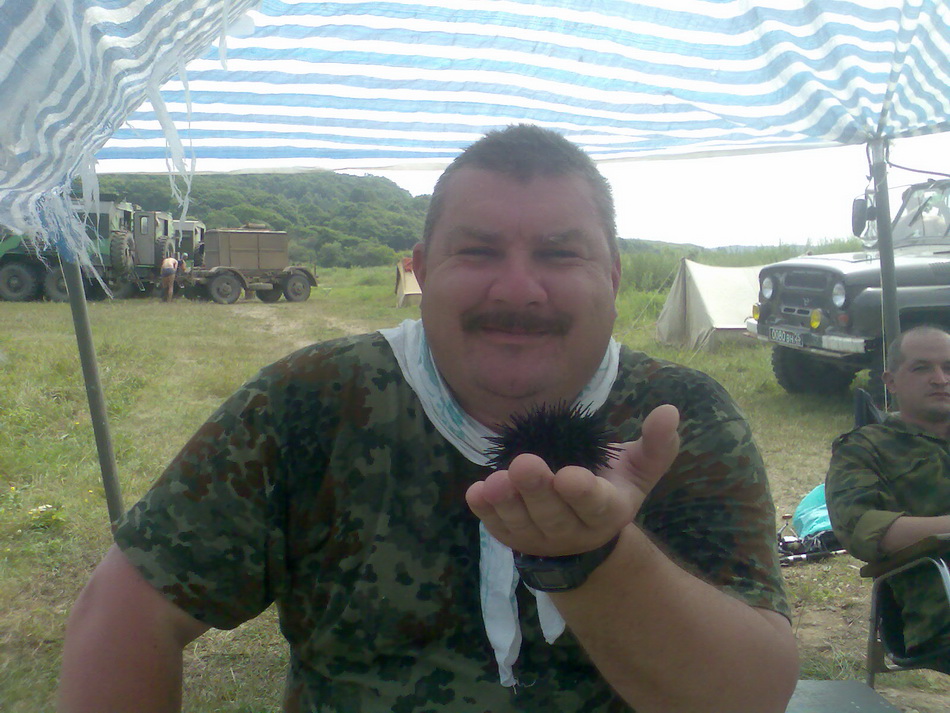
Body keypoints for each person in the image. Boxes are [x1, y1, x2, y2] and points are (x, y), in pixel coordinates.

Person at [58, 125, 797, 713]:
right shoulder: (313, 400)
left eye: (558, 254)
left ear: (611, 274)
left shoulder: (679, 419)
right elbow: (125, 611)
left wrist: (594, 557)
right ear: (421, 268)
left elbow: (750, 694)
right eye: (477, 251)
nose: (518, 288)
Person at [826, 325, 950, 661]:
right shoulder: (865, 449)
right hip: (940, 609)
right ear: (891, 381)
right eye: (922, 368)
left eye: (948, 367)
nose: (940, 379)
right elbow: (862, 527)